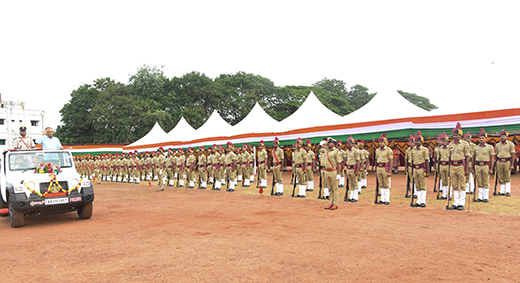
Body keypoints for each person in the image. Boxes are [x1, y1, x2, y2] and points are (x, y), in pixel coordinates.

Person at [448, 123, 470, 210]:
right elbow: (449, 157)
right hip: (453, 165)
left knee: (463, 185)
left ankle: (462, 203)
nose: (454, 136)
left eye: (456, 135)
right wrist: (449, 168)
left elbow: (467, 157)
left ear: (460, 135)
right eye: (453, 135)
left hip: (461, 165)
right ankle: (455, 202)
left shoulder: (465, 144)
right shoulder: (450, 145)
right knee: (455, 185)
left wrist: (467, 169)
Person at [473, 128, 495, 203]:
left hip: (486, 165)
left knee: (486, 181)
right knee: (479, 181)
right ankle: (480, 196)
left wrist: (491, 168)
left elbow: (492, 158)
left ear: (486, 139)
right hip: (477, 165)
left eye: (483, 138)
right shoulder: (475, 147)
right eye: (480, 138)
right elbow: (473, 158)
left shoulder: (490, 147)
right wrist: (473, 168)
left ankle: (485, 197)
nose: (481, 139)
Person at [323, 137, 343, 210]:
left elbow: (339, 163)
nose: (328, 144)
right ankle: (331, 202)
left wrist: (338, 173)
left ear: (333, 144)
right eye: (328, 142)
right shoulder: (327, 151)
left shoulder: (336, 151)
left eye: (330, 142)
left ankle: (335, 203)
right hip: (327, 171)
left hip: (333, 171)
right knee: (330, 188)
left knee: (335, 188)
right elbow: (319, 148)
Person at [412, 131, 430, 208]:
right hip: (415, 168)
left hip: (422, 168)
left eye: (418, 141)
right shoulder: (413, 150)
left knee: (422, 185)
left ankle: (423, 201)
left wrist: (428, 171)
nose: (416, 142)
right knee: (417, 185)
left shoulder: (424, 150)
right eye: (416, 141)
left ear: (421, 141)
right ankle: (418, 200)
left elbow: (427, 161)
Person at [495, 127, 515, 196]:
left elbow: (513, 154)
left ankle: (508, 191)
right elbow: (496, 155)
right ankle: (502, 191)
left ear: (506, 136)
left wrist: (512, 164)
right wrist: (495, 164)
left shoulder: (510, 144)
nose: (502, 137)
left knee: (507, 176)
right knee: (500, 176)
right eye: (501, 136)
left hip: (507, 161)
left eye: (504, 136)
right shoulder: (497, 145)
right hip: (499, 161)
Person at [375, 134, 393, 205]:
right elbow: (376, 160)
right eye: (379, 142)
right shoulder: (377, 150)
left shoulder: (388, 150)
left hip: (385, 168)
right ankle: (382, 199)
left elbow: (391, 160)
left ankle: (387, 199)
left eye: (381, 142)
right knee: (381, 184)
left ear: (385, 143)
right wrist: (376, 170)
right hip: (379, 167)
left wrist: (390, 171)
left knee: (386, 184)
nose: (380, 143)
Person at [344, 136, 361, 203]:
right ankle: (351, 196)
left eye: (349, 143)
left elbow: (357, 161)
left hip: (353, 168)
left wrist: (357, 170)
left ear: (353, 144)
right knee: (351, 183)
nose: (348, 144)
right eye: (347, 143)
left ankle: (355, 197)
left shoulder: (355, 151)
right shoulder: (347, 151)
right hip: (348, 168)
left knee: (355, 183)